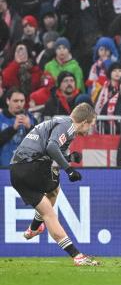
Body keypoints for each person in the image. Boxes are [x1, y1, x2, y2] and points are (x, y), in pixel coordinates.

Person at [10, 103, 99, 266]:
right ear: (84, 121)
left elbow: (48, 150)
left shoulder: (60, 122)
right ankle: (77, 256)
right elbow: (51, 147)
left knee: (52, 192)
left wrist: (69, 158)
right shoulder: (68, 125)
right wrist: (69, 169)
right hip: (31, 167)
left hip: (17, 171)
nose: (89, 129)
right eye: (90, 125)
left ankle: (34, 228)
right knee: (50, 212)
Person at [0, 89, 35, 166]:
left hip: (26, 167)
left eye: (22, 101)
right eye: (15, 101)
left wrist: (29, 127)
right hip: (4, 168)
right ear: (8, 101)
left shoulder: (31, 118)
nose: (19, 104)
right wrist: (13, 128)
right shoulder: (1, 117)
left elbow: (41, 143)